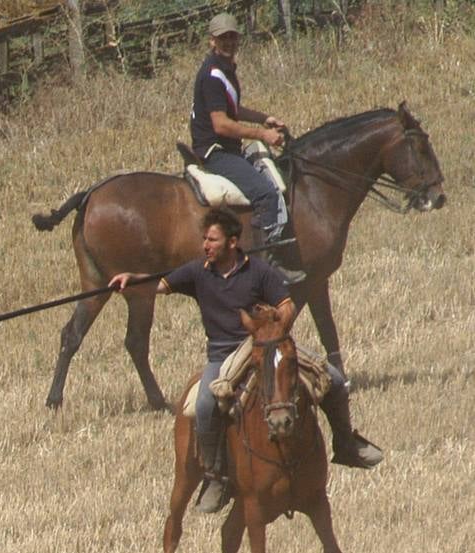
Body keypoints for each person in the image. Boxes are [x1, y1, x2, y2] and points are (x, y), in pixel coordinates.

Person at [109, 209, 383, 513]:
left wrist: (277, 329)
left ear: (232, 242)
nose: (205, 246)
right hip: (223, 353)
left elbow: (287, 305)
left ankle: (345, 443)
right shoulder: (198, 271)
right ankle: (215, 476)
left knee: (332, 378)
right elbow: (158, 286)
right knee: (203, 406)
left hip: (262, 344)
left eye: (212, 240)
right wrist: (130, 280)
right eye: (205, 240)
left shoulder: (260, 272)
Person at [190, 12, 305, 284]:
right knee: (266, 193)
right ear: (212, 41)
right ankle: (268, 263)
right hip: (216, 151)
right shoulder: (213, 75)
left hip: (227, 147)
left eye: (232, 36)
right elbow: (221, 124)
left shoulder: (225, 69)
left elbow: (232, 109)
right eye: (223, 38)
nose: (229, 41)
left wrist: (264, 118)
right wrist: (263, 134)